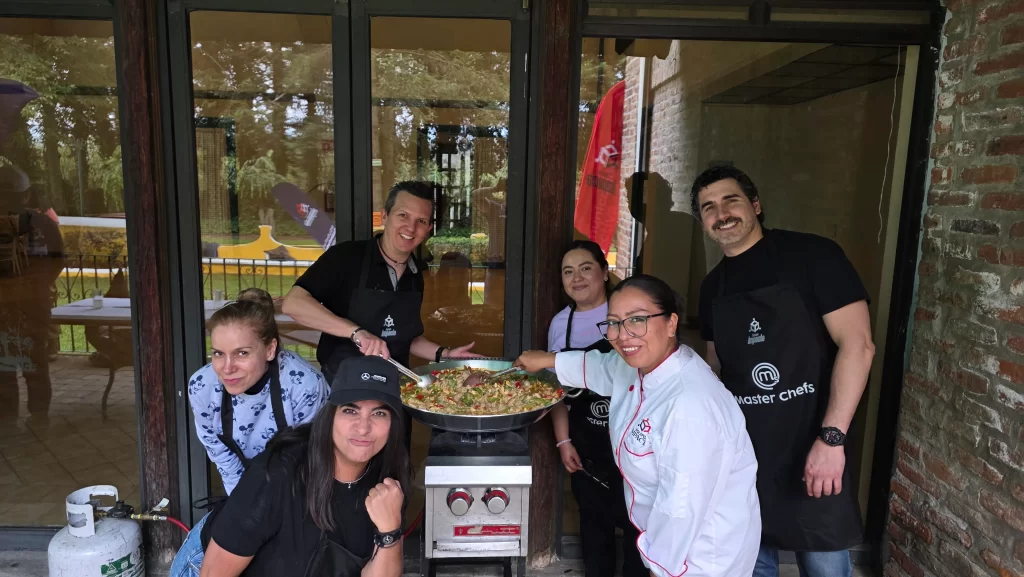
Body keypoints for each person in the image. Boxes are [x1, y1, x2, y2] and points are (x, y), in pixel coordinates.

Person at [692, 165, 875, 577]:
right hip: (746, 454)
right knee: (749, 561)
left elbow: (859, 346)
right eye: (708, 207)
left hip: (814, 440)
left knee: (824, 562)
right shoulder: (712, 288)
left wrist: (832, 439)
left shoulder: (813, 256)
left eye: (731, 200)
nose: (721, 213)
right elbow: (716, 368)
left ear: (755, 205)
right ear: (703, 222)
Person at [516, 275, 760, 577]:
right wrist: (546, 360)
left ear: (671, 323)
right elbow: (601, 367)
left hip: (698, 558)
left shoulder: (688, 407)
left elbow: (680, 511)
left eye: (638, 320)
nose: (623, 334)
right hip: (661, 536)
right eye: (614, 323)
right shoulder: (646, 365)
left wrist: (660, 569)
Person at [170, 356, 409, 577]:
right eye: (350, 410)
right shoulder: (279, 473)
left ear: (393, 424)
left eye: (379, 413)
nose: (363, 427)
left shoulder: (388, 479)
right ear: (330, 417)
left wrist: (390, 530)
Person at [283, 180, 479, 383]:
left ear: (428, 229)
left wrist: (444, 355)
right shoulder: (347, 257)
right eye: (403, 215)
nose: (410, 228)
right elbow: (294, 304)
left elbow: (404, 337)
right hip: (345, 386)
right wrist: (356, 333)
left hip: (393, 386)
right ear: (385, 216)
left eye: (421, 221)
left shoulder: (416, 274)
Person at [546, 240, 645, 577]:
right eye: (568, 272)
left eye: (586, 268)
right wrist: (563, 441)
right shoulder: (562, 324)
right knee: (593, 521)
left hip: (633, 439)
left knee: (639, 522)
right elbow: (556, 389)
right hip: (587, 438)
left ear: (604, 272)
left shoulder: (626, 316)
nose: (577, 278)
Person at [188, 288, 328, 494]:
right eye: (218, 353)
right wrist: (242, 499)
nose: (227, 368)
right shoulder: (202, 386)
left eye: (242, 353)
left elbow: (312, 456)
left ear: (270, 350)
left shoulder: (304, 386)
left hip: (299, 483)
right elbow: (219, 452)